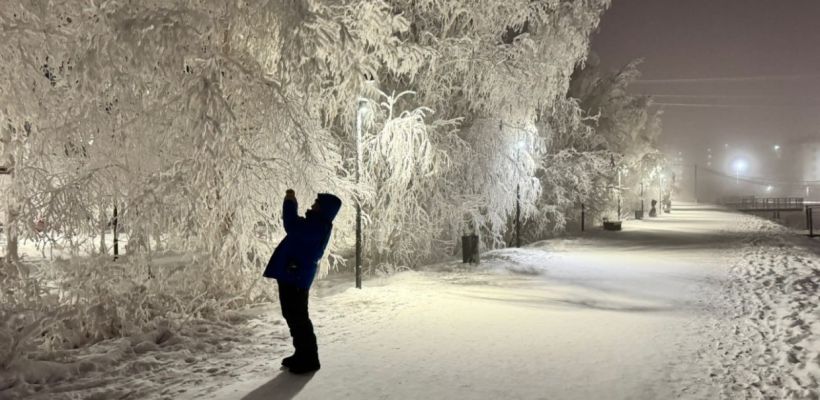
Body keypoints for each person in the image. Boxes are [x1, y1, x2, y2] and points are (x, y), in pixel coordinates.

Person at [263, 189, 342, 374]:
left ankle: (308, 359)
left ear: (323, 209)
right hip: (294, 275)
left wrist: (290, 201)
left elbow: (291, 225)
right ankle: (302, 354)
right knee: (294, 315)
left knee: (297, 317)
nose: (313, 205)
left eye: (317, 203)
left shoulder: (316, 226)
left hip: (295, 277)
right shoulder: (316, 224)